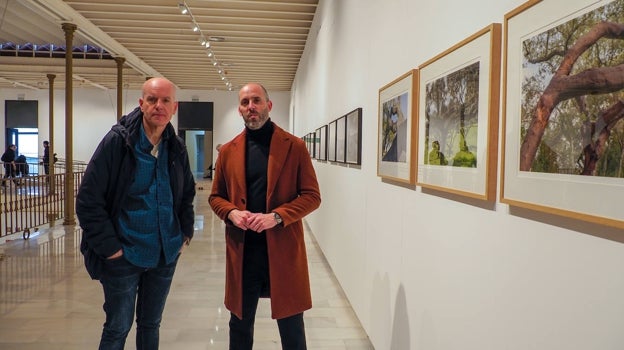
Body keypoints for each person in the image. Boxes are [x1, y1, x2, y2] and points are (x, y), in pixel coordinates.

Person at [76, 77, 196, 350]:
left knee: (151, 324)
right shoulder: (117, 142)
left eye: (166, 100)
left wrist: (184, 235)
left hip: (165, 253)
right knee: (117, 328)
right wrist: (110, 249)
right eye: (152, 99)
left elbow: (187, 193)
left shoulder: (175, 147)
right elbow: (87, 200)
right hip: (124, 255)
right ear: (141, 104)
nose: (159, 106)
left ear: (174, 108)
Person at [209, 82, 321, 350]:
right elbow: (215, 197)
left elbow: (312, 196)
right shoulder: (227, 151)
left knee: (292, 327)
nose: (252, 107)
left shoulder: (294, 146)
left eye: (257, 101)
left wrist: (278, 217)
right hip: (243, 253)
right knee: (239, 326)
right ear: (239, 110)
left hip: (283, 251)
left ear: (269, 106)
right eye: (246, 103)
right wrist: (232, 213)